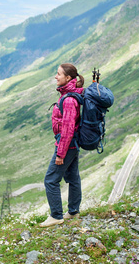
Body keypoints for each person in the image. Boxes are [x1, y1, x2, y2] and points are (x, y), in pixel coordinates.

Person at [40, 63, 84, 227]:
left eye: (58, 74)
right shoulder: (69, 95)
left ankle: (56, 215)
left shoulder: (69, 100)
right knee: (72, 177)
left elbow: (67, 130)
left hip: (67, 145)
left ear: (68, 78)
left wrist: (60, 154)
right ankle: (73, 212)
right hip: (71, 145)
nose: (55, 76)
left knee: (51, 180)